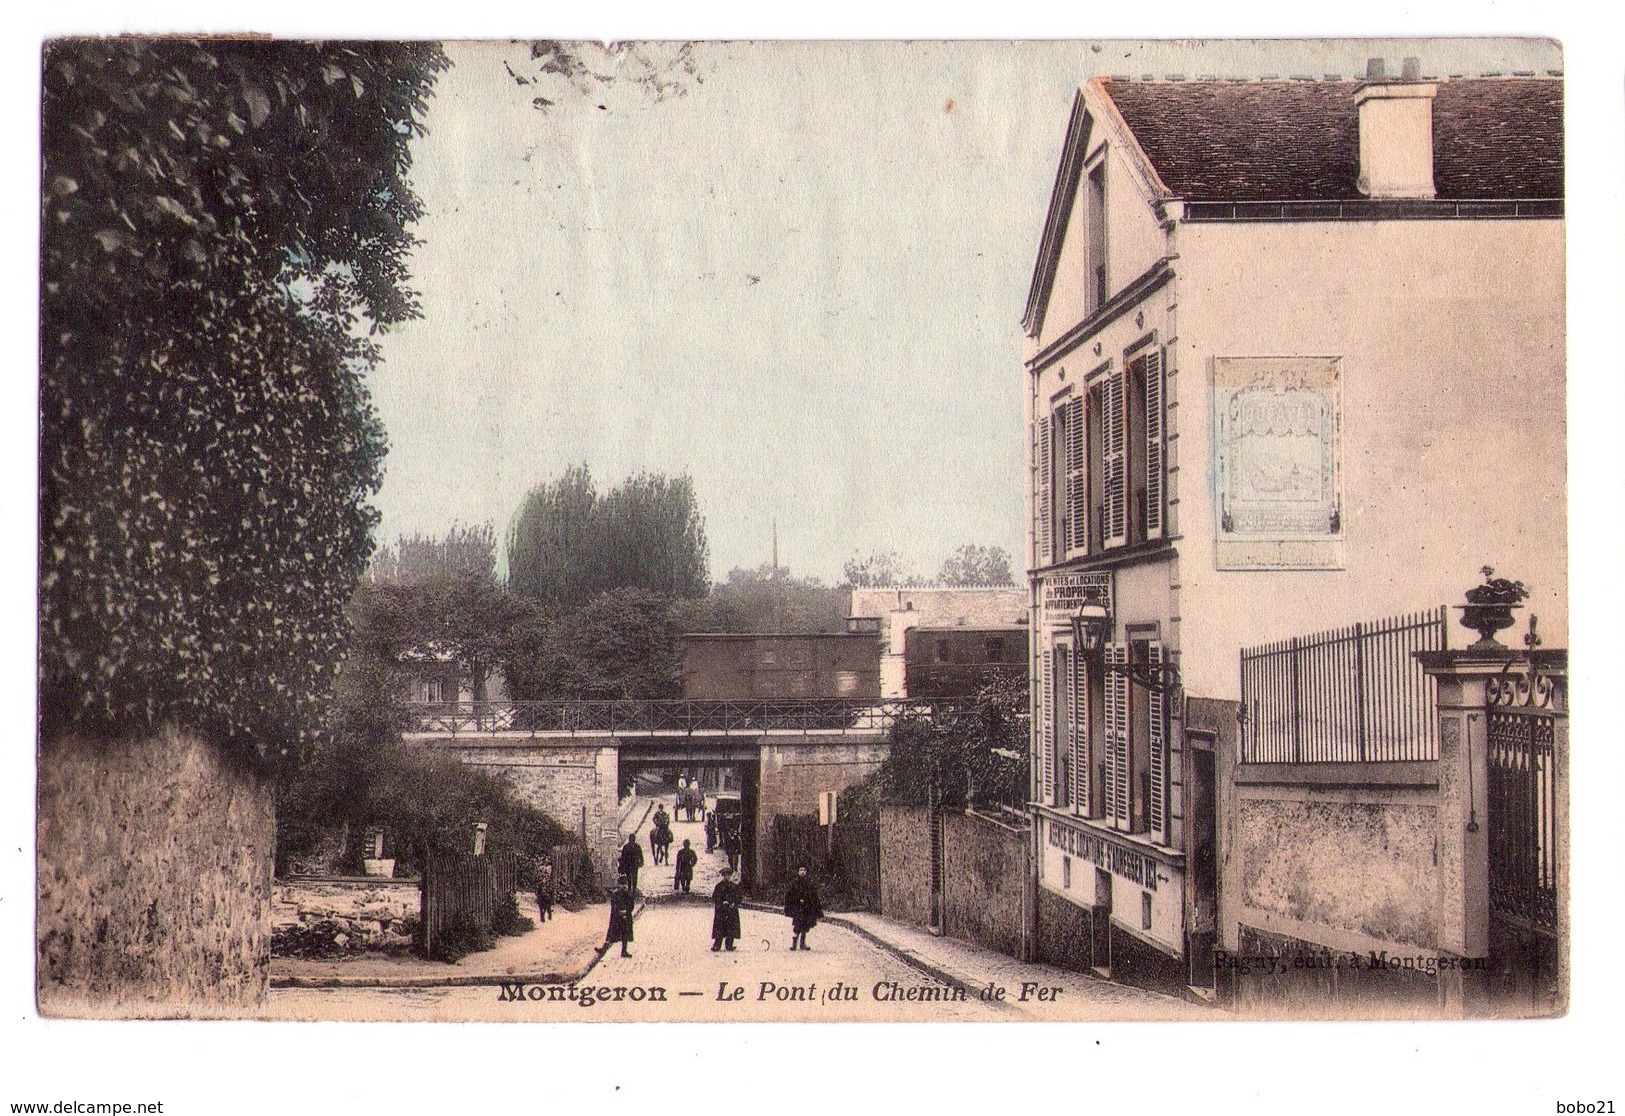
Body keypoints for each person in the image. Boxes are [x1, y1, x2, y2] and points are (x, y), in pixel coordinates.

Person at [782, 865, 823, 951]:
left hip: (807, 908)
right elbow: (789, 895)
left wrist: (810, 902)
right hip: (798, 908)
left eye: (804, 870)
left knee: (806, 925)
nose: (802, 872)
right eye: (801, 870)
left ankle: (802, 943)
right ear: (798, 872)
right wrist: (797, 899)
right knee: (798, 924)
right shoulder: (795, 883)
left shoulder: (809, 883)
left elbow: (813, 895)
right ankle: (794, 943)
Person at [602, 874, 635, 958]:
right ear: (618, 885)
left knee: (624, 935)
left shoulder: (628, 894)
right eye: (621, 884)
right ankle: (604, 948)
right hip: (617, 918)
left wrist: (626, 911)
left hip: (625, 917)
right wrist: (619, 912)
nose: (623, 886)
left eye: (624, 884)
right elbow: (614, 906)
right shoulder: (615, 894)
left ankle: (624, 951)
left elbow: (631, 905)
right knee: (612, 934)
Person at [710, 867, 742, 951]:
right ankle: (717, 945)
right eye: (725, 875)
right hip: (721, 910)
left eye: (728, 875)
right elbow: (715, 897)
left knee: (731, 927)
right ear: (722, 876)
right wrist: (721, 902)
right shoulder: (719, 886)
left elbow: (739, 897)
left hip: (731, 910)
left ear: (730, 876)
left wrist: (734, 903)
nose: (726, 877)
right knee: (719, 927)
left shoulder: (734, 886)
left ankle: (729, 945)